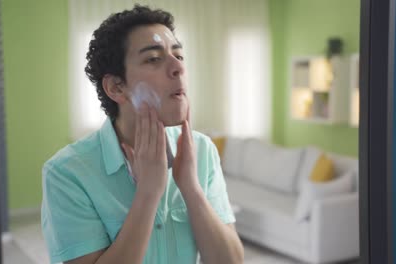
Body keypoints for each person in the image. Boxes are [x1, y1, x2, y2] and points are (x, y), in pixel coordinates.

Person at [41, 4, 244, 264]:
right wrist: (148, 193)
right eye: (153, 59)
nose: (178, 68)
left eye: (179, 56)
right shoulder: (67, 173)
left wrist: (191, 187)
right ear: (116, 87)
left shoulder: (201, 151)